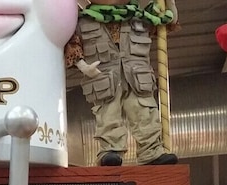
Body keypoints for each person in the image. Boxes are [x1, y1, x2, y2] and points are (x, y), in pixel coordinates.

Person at [65, 0, 179, 167]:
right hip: (104, 78)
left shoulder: (141, 17)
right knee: (108, 114)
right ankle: (110, 150)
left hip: (137, 78)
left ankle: (151, 150)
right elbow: (71, 44)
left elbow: (166, 20)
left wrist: (170, 3)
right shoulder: (82, 21)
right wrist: (83, 66)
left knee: (144, 112)